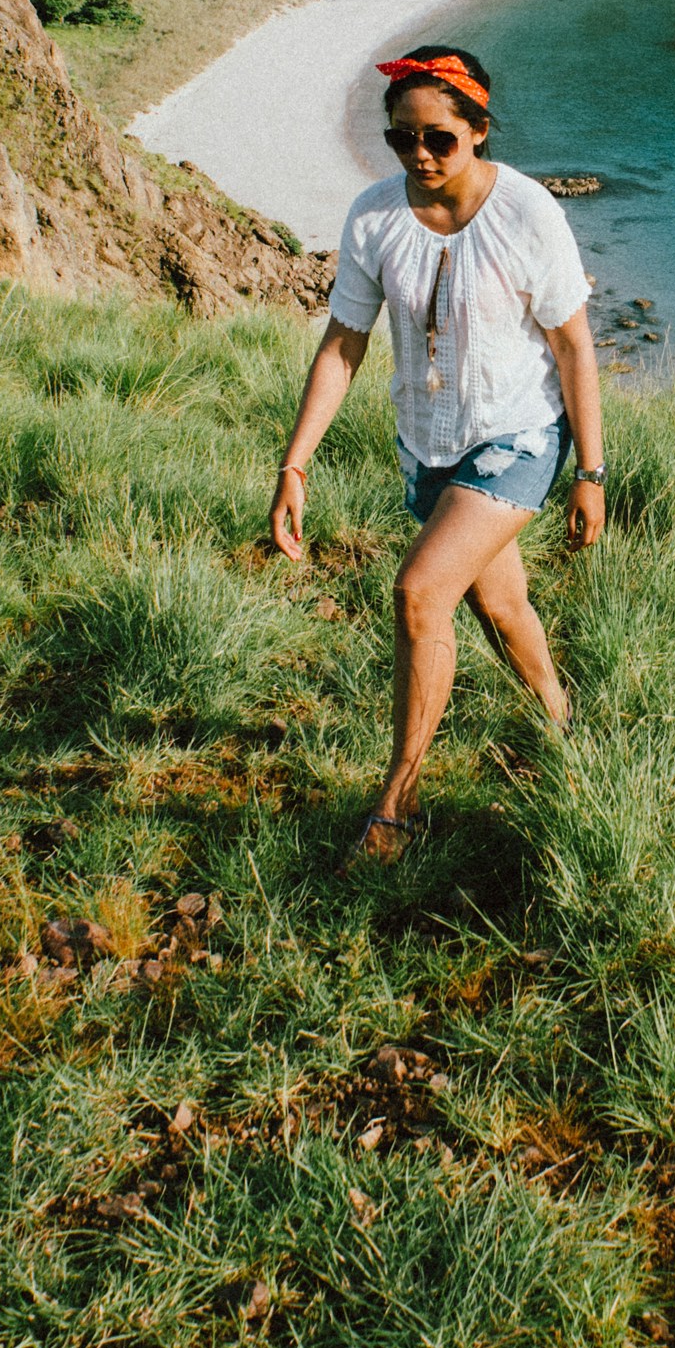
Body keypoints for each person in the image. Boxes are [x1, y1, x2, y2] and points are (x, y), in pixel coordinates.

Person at [267, 45, 604, 861]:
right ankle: (567, 729)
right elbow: (343, 343)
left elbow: (573, 346)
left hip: (518, 435)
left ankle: (398, 804)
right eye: (401, 138)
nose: (418, 155)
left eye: (439, 139)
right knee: (500, 606)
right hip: (427, 446)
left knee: (420, 594)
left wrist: (590, 472)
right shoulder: (374, 217)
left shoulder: (527, 213)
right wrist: (294, 464)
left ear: (478, 130)